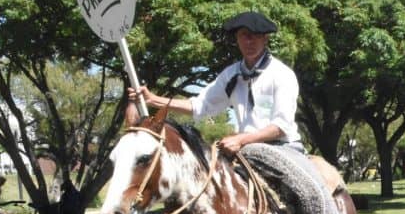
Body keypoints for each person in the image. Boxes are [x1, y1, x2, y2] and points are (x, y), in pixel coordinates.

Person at [128, 11, 303, 156]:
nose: (249, 41)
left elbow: (281, 127)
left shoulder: (281, 74)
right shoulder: (231, 75)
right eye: (244, 35)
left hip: (283, 148)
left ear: (265, 39)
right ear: (237, 39)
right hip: (246, 150)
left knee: (300, 186)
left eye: (255, 36)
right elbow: (199, 106)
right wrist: (153, 100)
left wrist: (241, 139)